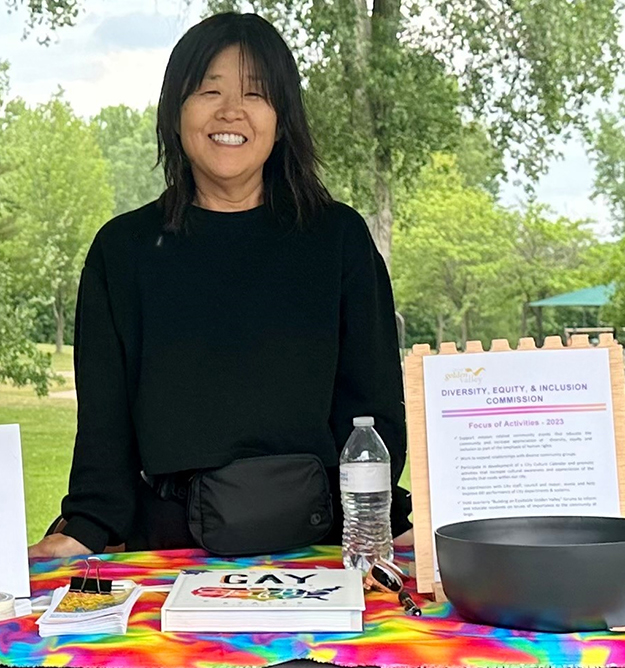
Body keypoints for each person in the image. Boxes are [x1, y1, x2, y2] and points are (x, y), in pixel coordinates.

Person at [29, 11, 412, 559]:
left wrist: (385, 522)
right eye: (209, 90)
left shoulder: (338, 238)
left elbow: (371, 411)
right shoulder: (124, 249)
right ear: (176, 112)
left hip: (320, 545)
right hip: (165, 553)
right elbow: (103, 428)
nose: (231, 110)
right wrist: (84, 528)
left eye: (256, 94)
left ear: (282, 120)